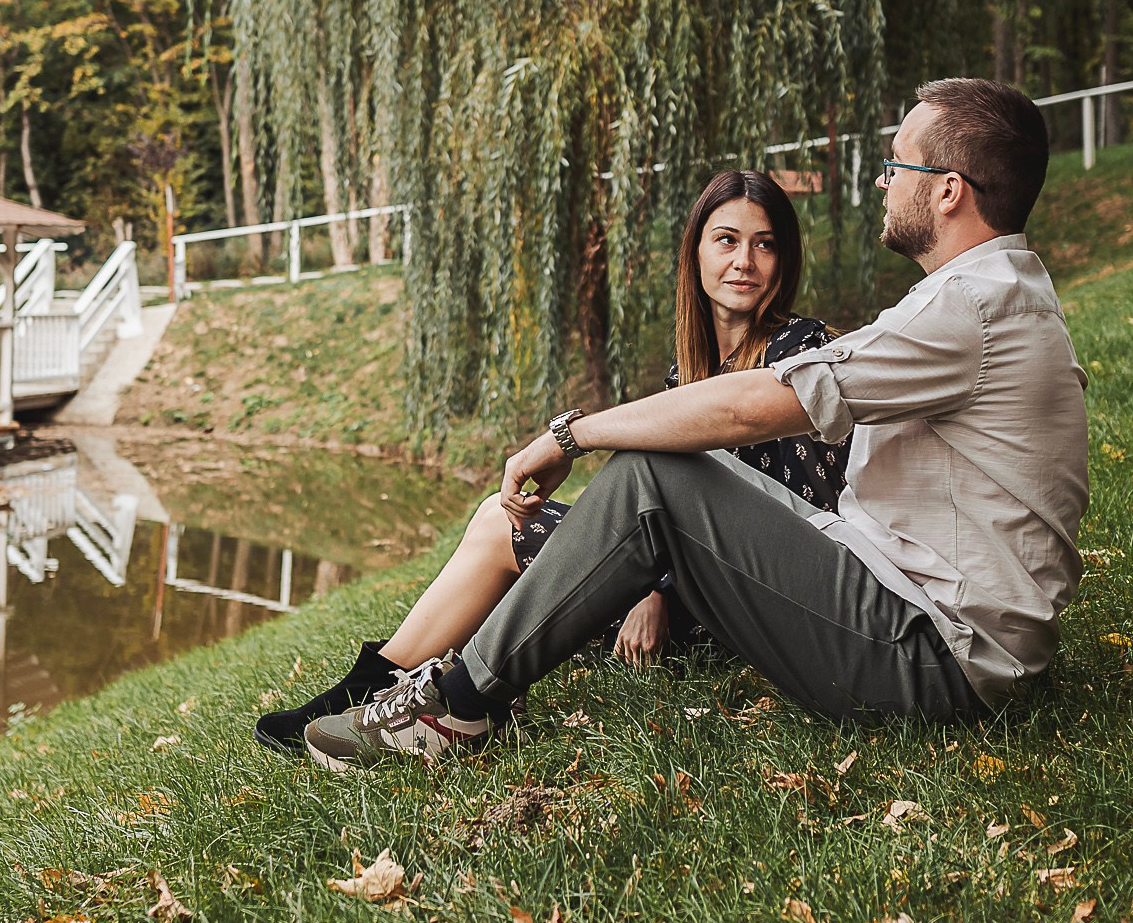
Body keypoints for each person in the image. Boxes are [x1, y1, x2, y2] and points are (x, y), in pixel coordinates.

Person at [302, 77, 1090, 770]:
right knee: (658, 475)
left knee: (655, 476)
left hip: (935, 656)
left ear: (947, 190)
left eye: (896, 164)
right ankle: (438, 684)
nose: (883, 183)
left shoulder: (975, 307)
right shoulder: (979, 296)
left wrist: (573, 434)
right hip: (903, 608)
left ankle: (454, 707)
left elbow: (753, 405)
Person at [253, 170, 848, 753]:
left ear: (784, 260)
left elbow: (786, 511)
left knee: (501, 530)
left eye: (764, 244)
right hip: (698, 592)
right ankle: (385, 683)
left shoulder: (799, 352)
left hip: (750, 612)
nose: (744, 260)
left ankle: (394, 693)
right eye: (726, 240)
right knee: (500, 518)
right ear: (694, 252)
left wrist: (660, 590)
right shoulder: (687, 371)